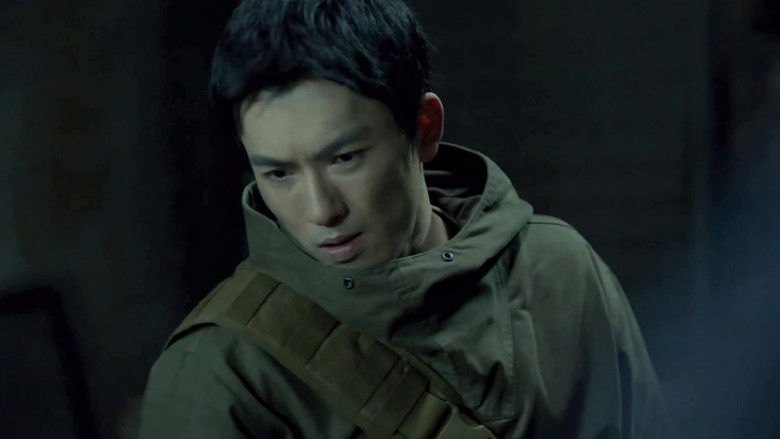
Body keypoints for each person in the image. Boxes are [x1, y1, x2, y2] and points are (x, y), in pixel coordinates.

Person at [138, 0, 667, 437]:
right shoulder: (222, 371)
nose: (321, 210)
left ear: (424, 127)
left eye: (345, 159)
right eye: (279, 174)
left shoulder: (559, 273)